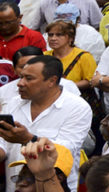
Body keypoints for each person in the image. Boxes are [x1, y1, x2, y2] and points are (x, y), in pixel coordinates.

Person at [0, 55, 91, 191]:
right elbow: (3, 146)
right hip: (15, 186)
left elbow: (65, 150)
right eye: (21, 77)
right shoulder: (13, 103)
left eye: (29, 78)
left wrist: (28, 139)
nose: (20, 83)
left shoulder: (77, 108)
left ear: (51, 81)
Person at [43, 20, 96, 92]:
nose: (53, 38)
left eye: (59, 35)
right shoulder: (44, 56)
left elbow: (91, 81)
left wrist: (66, 87)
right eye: (50, 35)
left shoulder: (84, 56)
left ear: (70, 38)